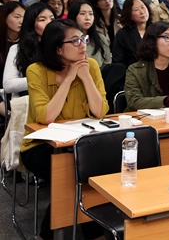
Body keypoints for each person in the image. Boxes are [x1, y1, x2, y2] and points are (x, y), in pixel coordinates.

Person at [21, 19, 109, 240]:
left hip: (79, 143)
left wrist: (86, 77)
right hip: (40, 146)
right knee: (76, 171)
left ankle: (70, 231)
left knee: (92, 166)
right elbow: (46, 116)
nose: (83, 45)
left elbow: (100, 112)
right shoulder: (36, 70)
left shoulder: (91, 66)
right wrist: (69, 79)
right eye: (76, 40)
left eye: (84, 39)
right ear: (58, 49)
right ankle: (80, 231)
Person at [3, 3, 55, 97]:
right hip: (27, 102)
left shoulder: (62, 46)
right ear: (31, 24)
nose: (49, 23)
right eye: (42, 19)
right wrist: (42, 79)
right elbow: (8, 85)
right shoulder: (17, 49)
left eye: (52, 19)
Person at [67, 1, 112, 68]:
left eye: (91, 14)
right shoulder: (66, 40)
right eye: (82, 14)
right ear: (74, 16)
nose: (87, 18)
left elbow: (108, 63)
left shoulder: (100, 38)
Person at [112, 0, 152, 67]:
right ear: (129, 14)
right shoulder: (123, 34)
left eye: (143, 7)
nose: (142, 12)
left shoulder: (156, 29)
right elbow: (118, 61)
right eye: (136, 10)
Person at [0, 1, 25, 81]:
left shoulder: (26, 41)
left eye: (24, 17)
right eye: (17, 17)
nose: (21, 21)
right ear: (4, 17)